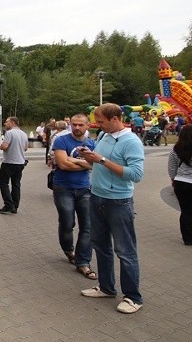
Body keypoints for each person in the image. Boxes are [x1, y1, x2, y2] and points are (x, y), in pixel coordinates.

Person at [78, 103, 145, 314]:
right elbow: (99, 162)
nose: (98, 125)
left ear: (115, 119)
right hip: (97, 197)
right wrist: (90, 156)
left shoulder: (131, 141)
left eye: (101, 121)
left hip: (118, 202)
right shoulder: (103, 136)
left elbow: (135, 174)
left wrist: (102, 160)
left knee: (125, 250)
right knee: (101, 245)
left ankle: (133, 297)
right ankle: (106, 287)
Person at [51, 113, 96, 279]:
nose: (77, 128)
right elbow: (63, 164)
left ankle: (83, 262)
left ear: (87, 126)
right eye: (74, 125)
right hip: (63, 188)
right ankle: (68, 249)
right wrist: (86, 165)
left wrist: (75, 161)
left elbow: (96, 165)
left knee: (88, 226)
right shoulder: (61, 141)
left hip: (85, 189)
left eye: (80, 125)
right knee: (67, 222)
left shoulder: (92, 143)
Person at [0, 116, 29, 214]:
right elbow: (26, 148)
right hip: (20, 162)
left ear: (13, 123)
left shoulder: (9, 133)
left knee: (3, 183)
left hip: (9, 162)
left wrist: (1, 145)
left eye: (7, 122)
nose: (5, 124)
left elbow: (5, 146)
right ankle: (15, 205)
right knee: (16, 184)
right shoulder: (23, 134)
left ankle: (8, 205)